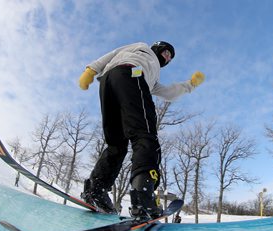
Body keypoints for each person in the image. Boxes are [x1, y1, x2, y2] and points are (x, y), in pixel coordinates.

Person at [79, 41, 204, 219]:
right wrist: (91, 69)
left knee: (116, 143)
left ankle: (96, 190)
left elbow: (168, 92)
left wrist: (190, 84)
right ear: (157, 47)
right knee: (144, 134)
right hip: (130, 73)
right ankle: (143, 195)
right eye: (167, 52)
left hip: (108, 83)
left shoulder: (152, 77)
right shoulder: (141, 47)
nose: (168, 57)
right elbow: (114, 53)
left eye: (170, 57)